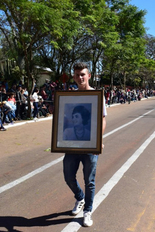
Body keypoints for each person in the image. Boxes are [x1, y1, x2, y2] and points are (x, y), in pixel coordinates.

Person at [63, 62, 107, 227]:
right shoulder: (69, 96)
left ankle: (87, 210)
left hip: (90, 146)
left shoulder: (97, 95)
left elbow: (102, 119)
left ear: (89, 76)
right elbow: (62, 118)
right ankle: (80, 198)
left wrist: (98, 141)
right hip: (72, 145)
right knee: (68, 177)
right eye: (77, 75)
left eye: (83, 74)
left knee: (90, 180)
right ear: (74, 77)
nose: (80, 77)